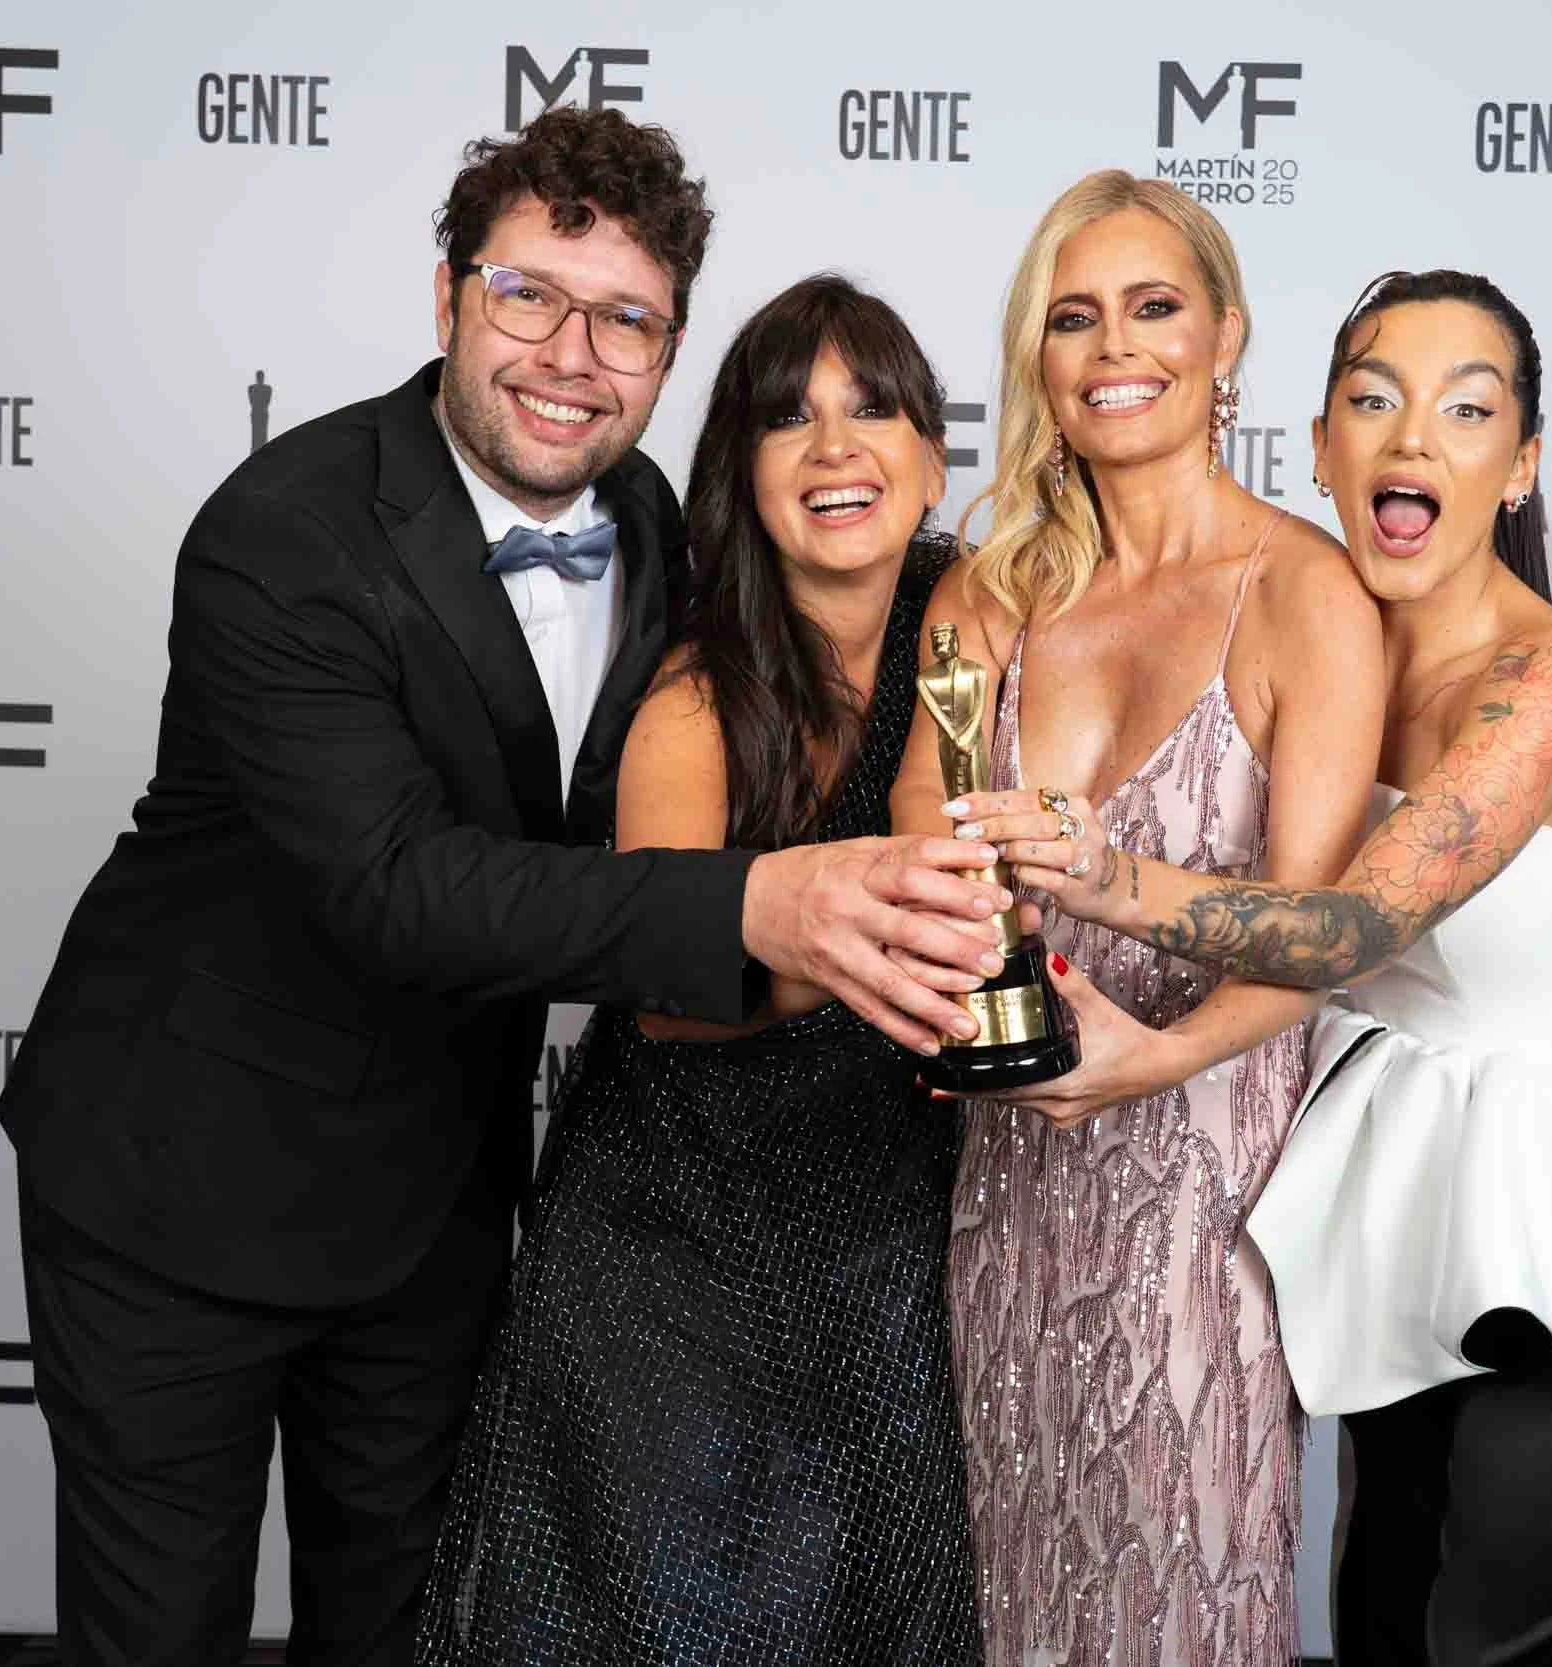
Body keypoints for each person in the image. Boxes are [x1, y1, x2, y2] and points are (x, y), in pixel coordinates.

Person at [0, 112, 1009, 1667]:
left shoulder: (663, 531)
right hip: (184, 1179)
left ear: (667, 352)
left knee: (403, 1627)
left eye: (627, 319)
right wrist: (749, 910)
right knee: (160, 1633)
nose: (572, 353)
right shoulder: (288, 535)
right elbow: (399, 889)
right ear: (449, 297)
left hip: (439, 1202)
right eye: (530, 295)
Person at [957, 269, 1552, 1665]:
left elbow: (1354, 929)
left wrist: (1098, 867)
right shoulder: (1325, 641)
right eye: (1374, 400)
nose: (1413, 438)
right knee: (1379, 1632)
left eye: (1466, 409)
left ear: (1520, 464)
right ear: (1318, 447)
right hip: (1399, 1226)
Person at [413, 273, 985, 1667]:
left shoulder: (975, 618)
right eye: (788, 418)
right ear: (743, 471)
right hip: (675, 1237)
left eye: (874, 409)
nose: (836, 447)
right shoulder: (695, 688)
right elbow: (670, 994)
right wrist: (865, 948)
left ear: (931, 452)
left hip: (889, 1237)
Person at [889, 171, 1385, 1665]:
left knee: (1186, 1595)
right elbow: (922, 831)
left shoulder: (1304, 593)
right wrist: (960, 929)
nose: (1116, 346)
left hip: (1206, 1193)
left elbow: (1315, 936)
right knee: (1025, 1592)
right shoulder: (987, 596)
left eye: (1155, 306)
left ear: (1227, 335)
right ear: (1038, 361)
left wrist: (1144, 1060)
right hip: (1013, 1187)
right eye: (1074, 316)